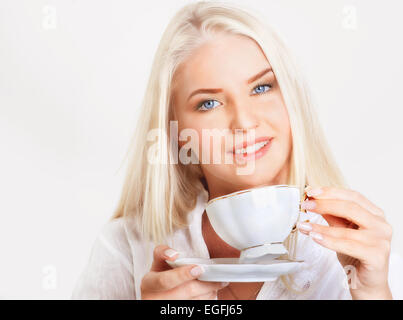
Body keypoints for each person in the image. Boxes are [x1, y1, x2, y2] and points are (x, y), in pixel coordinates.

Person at [71, 1, 394, 300]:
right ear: (178, 132)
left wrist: (373, 292)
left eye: (261, 87)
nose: (244, 122)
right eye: (208, 103)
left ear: (292, 99)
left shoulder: (356, 247)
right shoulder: (127, 246)